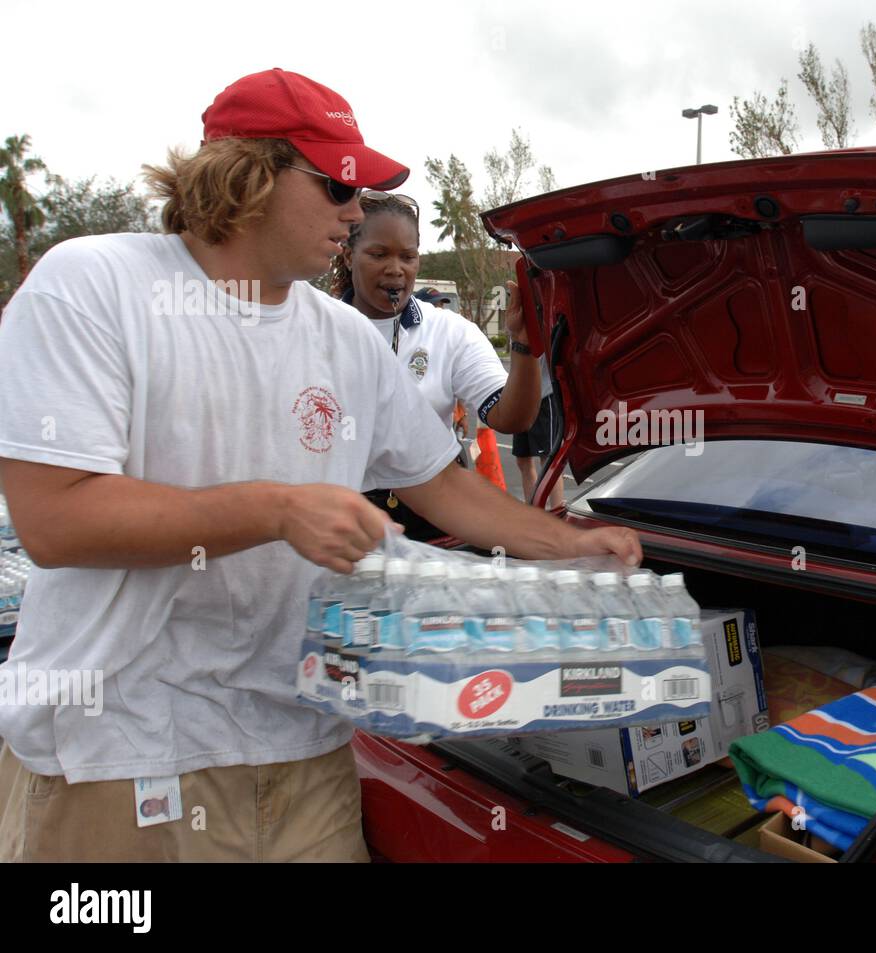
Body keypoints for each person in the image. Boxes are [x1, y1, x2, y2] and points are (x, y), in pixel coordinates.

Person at [0, 68, 639, 863]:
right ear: (244, 176)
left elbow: (439, 481)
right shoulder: (92, 286)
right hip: (122, 754)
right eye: (338, 187)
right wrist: (276, 509)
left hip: (306, 751)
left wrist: (566, 542)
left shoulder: (341, 337)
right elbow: (56, 519)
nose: (355, 211)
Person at [329, 192, 536, 533]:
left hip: (434, 513)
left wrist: (524, 345)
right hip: (341, 516)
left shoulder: (451, 331)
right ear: (349, 256)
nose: (395, 269)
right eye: (378, 254)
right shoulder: (319, 326)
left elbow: (510, 417)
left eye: (407, 257)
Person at [513, 353, 566, 509]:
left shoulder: (540, 328)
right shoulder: (516, 331)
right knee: (522, 459)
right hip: (521, 399)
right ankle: (534, 511)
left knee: (548, 459)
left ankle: (557, 512)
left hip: (543, 396)